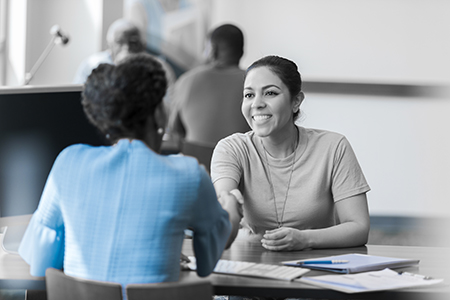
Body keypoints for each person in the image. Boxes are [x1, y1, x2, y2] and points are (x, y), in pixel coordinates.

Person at [18, 53, 231, 296]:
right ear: (159, 113)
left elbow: (40, 262)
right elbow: (206, 265)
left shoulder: (69, 161)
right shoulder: (188, 174)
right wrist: (232, 211)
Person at [213, 55, 370, 251]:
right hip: (252, 262)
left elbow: (358, 227)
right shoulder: (231, 148)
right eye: (249, 95)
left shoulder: (334, 146)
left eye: (270, 93)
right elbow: (225, 201)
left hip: (317, 266)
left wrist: (304, 239)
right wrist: (229, 208)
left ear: (296, 101)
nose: (257, 103)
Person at [167, 24, 250, 171]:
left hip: (194, 171)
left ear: (212, 50)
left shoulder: (187, 80)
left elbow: (175, 131)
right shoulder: (253, 83)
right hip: (238, 176)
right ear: (241, 51)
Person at [73, 19, 146, 84]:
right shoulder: (92, 65)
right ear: (109, 45)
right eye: (120, 42)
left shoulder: (148, 67)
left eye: (133, 42)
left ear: (141, 46)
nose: (126, 47)